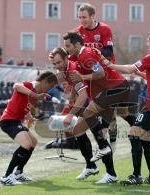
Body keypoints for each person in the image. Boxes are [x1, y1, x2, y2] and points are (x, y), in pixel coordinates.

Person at [108, 29, 150, 185]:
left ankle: (136, 175)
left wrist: (109, 65)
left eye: (149, 41)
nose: (147, 43)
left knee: (133, 133)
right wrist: (141, 75)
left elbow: (130, 68)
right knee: (145, 139)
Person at [76, 2, 140, 154]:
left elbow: (108, 50)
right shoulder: (78, 32)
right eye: (79, 17)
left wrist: (95, 55)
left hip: (110, 78)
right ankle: (112, 144)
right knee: (110, 116)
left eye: (84, 17)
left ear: (93, 16)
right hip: (96, 81)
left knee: (122, 113)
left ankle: (140, 131)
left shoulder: (104, 29)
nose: (82, 21)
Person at [49, 47, 118, 184]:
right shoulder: (67, 70)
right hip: (93, 101)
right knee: (78, 131)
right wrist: (72, 97)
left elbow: (83, 95)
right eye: (54, 64)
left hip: (101, 99)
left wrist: (70, 115)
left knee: (101, 138)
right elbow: (79, 90)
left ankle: (111, 174)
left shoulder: (72, 70)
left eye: (59, 62)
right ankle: (91, 166)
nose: (57, 66)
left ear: (66, 59)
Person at [0, 71, 58, 185]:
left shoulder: (34, 94)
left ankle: (19, 173)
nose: (48, 91)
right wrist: (35, 95)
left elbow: (24, 106)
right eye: (49, 87)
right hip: (8, 121)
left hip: (15, 121)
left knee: (33, 142)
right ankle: (6, 176)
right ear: (44, 82)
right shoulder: (29, 86)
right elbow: (16, 86)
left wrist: (30, 117)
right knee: (26, 144)